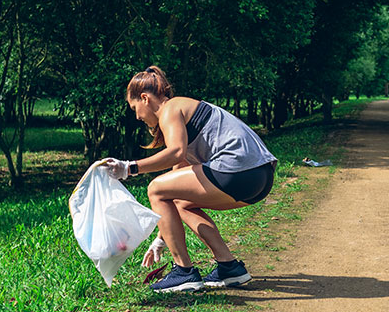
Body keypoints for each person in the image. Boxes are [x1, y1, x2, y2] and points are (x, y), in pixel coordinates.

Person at [102, 66, 277, 292]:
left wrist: (129, 168)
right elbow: (176, 184)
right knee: (181, 202)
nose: (137, 116)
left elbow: (176, 153)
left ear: (145, 98)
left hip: (238, 171)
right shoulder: (183, 115)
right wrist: (161, 239)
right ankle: (229, 267)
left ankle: (183, 272)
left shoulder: (171, 108)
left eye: (134, 108)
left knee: (154, 188)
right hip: (260, 178)